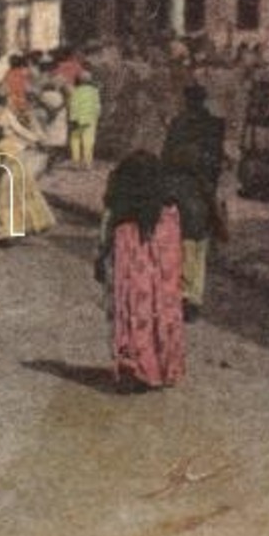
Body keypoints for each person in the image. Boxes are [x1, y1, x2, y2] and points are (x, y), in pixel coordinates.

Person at [99, 153, 187, 392]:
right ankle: (162, 368)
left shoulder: (119, 215)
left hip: (131, 285)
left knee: (131, 320)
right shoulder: (169, 213)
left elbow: (105, 245)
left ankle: (134, 369)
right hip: (162, 285)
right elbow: (174, 253)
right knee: (161, 320)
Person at [161, 84, 225, 321]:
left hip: (180, 191)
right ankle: (194, 296)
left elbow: (165, 159)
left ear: (186, 100)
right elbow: (216, 163)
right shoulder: (215, 125)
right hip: (203, 190)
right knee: (199, 245)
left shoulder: (178, 124)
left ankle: (184, 293)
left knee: (183, 244)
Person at [67, 72, 102, 170]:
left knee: (75, 140)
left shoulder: (75, 91)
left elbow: (73, 106)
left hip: (78, 118)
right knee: (89, 141)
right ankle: (87, 163)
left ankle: (76, 162)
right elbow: (97, 106)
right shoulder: (94, 91)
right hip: (90, 118)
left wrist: (72, 118)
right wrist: (97, 116)